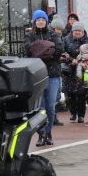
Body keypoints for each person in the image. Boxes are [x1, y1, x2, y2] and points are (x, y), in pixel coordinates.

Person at [24, 9, 62, 146]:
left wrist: (41, 50)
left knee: (51, 106)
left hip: (52, 74)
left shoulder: (52, 34)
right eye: (38, 19)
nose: (41, 22)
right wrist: (47, 48)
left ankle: (48, 132)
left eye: (43, 19)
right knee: (40, 108)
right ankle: (41, 134)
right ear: (34, 22)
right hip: (37, 75)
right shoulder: (29, 35)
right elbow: (28, 50)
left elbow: (58, 50)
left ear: (46, 21)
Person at [60, 22, 88, 122]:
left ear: (83, 32)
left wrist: (82, 58)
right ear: (72, 31)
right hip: (69, 71)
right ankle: (73, 113)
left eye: (79, 31)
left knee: (82, 94)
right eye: (75, 30)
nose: (77, 32)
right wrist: (70, 60)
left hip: (84, 71)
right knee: (70, 94)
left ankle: (81, 115)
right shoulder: (65, 40)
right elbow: (62, 53)